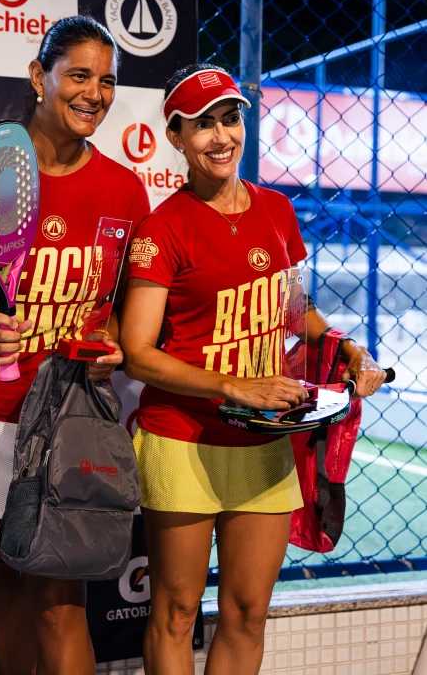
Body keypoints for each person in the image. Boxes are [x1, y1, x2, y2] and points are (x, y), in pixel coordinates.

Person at [120, 63, 386, 675]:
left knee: (246, 613)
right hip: (183, 438)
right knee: (176, 613)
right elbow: (137, 352)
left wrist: (347, 346)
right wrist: (232, 385)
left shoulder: (277, 211)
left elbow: (295, 311)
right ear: (176, 137)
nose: (221, 136)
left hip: (265, 440)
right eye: (202, 125)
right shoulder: (162, 229)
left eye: (230, 119)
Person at [0, 16, 150, 675]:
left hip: (69, 424)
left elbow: (130, 311)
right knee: (4, 591)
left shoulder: (125, 190)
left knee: (61, 604)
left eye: (107, 81)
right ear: (40, 77)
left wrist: (114, 344)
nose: (94, 93)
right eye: (79, 75)